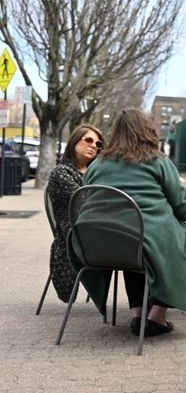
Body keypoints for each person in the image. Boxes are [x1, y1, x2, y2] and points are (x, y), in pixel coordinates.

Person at [77, 108, 186, 337]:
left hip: (98, 245)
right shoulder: (157, 161)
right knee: (184, 243)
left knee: (130, 239)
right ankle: (157, 316)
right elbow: (184, 209)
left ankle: (137, 315)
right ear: (147, 130)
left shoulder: (96, 164)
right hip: (148, 240)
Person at [47, 124, 104, 302]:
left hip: (100, 232)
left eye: (98, 143)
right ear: (74, 142)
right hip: (76, 238)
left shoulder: (97, 173)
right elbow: (88, 203)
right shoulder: (61, 173)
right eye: (88, 140)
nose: (94, 145)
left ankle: (147, 307)